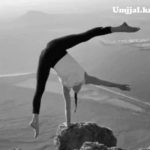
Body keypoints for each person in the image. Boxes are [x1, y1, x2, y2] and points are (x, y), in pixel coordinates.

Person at [29, 22, 140, 138]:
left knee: (84, 36)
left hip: (49, 55)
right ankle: (120, 28)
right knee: (84, 37)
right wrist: (119, 86)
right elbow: (103, 82)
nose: (78, 89)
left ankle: (34, 119)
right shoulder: (85, 78)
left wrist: (68, 124)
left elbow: (67, 106)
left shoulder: (66, 86)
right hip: (53, 49)